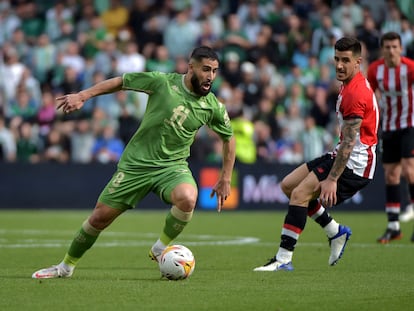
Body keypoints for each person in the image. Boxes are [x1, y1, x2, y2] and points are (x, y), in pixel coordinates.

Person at [32, 46, 236, 279]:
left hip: (172, 167)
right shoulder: (161, 83)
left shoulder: (213, 106)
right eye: (206, 69)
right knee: (99, 218)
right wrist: (83, 95)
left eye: (215, 71)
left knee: (188, 197)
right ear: (191, 67)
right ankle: (65, 267)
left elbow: (229, 139)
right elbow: (121, 82)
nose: (210, 76)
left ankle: (160, 247)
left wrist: (225, 177)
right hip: (135, 166)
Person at [254, 37, 379, 272]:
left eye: (345, 60)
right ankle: (335, 231)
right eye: (336, 59)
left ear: (358, 62)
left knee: (300, 194)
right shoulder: (349, 83)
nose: (339, 65)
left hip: (356, 163)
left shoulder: (355, 94)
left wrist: (331, 179)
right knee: (289, 186)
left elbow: (350, 143)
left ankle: (283, 259)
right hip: (343, 152)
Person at [367, 32, 414, 243]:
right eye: (387, 47)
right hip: (388, 127)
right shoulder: (375, 70)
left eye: (395, 46)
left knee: (409, 169)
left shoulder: (410, 68)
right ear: (382, 49)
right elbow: (369, 97)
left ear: (401, 48)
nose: (391, 50)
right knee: (390, 175)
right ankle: (393, 227)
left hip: (410, 125)